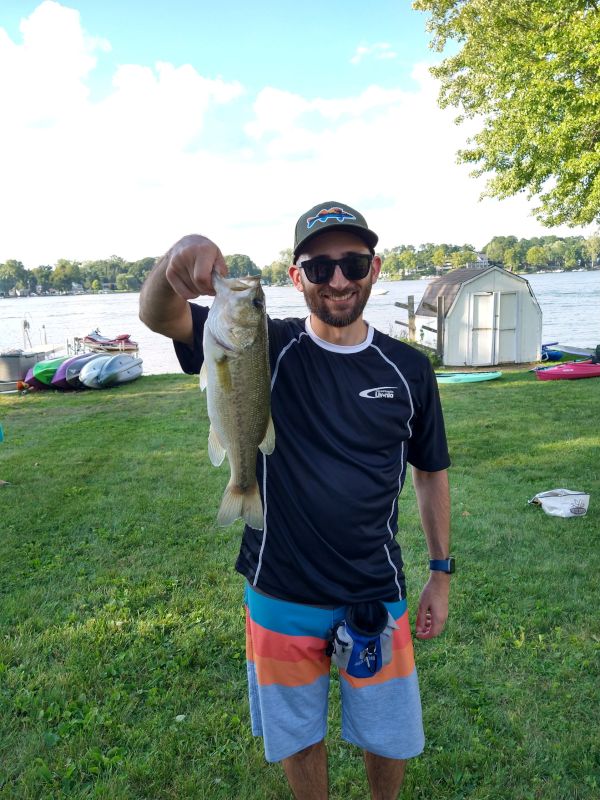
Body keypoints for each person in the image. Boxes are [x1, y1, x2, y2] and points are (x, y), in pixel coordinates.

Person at [139, 201, 452, 800]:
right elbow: (159, 315)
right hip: (279, 590)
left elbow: (431, 471)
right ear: (295, 276)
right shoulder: (261, 343)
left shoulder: (409, 368)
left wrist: (440, 572)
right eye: (319, 267)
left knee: (388, 735)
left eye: (353, 264)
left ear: (375, 269)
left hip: (375, 589)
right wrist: (176, 258)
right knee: (299, 738)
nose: (338, 280)